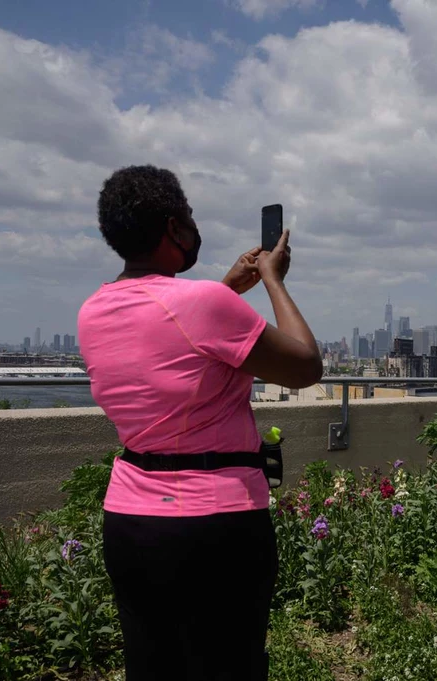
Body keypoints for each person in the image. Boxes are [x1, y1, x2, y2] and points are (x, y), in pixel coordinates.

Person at [77, 165, 323, 680]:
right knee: (231, 665)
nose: (192, 228)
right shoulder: (203, 303)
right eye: (187, 218)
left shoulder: (94, 310)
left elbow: (174, 337)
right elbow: (305, 366)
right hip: (216, 524)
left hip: (130, 520)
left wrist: (228, 287)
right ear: (171, 228)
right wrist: (272, 281)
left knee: (154, 664)